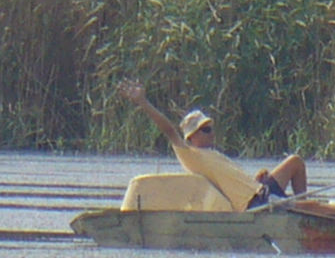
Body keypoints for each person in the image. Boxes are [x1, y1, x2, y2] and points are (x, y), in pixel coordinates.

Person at [118, 79, 307, 210]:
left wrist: (255, 180)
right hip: (254, 203)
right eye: (205, 130)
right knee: (307, 205)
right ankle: (304, 210)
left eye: (211, 128)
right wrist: (143, 102)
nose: (211, 133)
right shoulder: (191, 155)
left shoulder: (212, 154)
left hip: (259, 189)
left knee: (295, 162)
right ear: (191, 137)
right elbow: (169, 130)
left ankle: (303, 205)